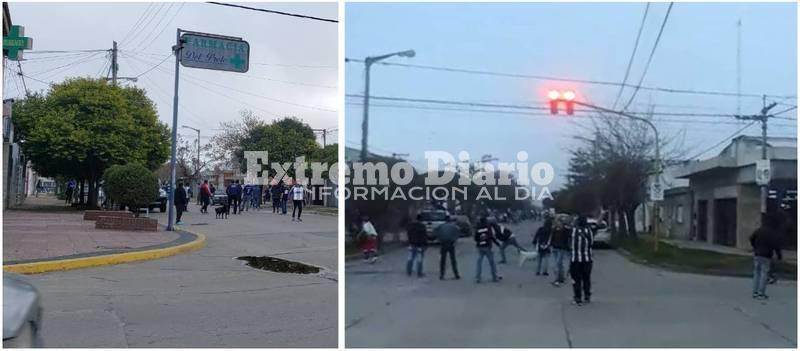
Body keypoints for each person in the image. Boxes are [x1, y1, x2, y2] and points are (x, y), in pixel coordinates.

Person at [749, 214, 783, 300]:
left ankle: (755, 292)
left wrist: (755, 246)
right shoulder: (772, 233)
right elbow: (776, 245)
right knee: (764, 274)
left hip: (757, 254)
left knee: (756, 273)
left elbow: (751, 238)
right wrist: (779, 255)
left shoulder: (758, 230)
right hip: (766, 255)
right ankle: (761, 293)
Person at [570, 215, 594, 305]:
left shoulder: (573, 231)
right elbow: (591, 244)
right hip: (587, 259)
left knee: (576, 279)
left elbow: (568, 243)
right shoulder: (589, 231)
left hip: (575, 259)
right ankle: (587, 296)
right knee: (586, 278)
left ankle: (577, 297)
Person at [474, 216, 501, 283]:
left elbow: (475, 238)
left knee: (479, 262)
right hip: (487, 246)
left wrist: (479, 241)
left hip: (480, 246)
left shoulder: (477, 227)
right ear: (486, 221)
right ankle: (494, 277)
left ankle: (478, 278)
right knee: (491, 262)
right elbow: (491, 236)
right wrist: (497, 243)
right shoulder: (488, 227)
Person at [434, 216, 461, 280]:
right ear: (450, 220)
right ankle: (456, 274)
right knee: (453, 260)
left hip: (443, 243)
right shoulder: (453, 226)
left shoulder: (441, 226)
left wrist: (439, 238)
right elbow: (458, 232)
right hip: (451, 243)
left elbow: (435, 231)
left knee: (443, 260)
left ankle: (441, 275)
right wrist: (455, 239)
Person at [550, 214, 570, 286]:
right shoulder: (554, 229)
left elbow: (568, 239)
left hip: (561, 249)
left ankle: (556, 279)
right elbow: (552, 238)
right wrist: (550, 245)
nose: (557, 223)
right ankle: (561, 278)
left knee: (557, 264)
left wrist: (568, 248)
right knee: (559, 264)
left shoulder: (566, 230)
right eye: (556, 221)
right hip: (555, 248)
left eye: (559, 221)